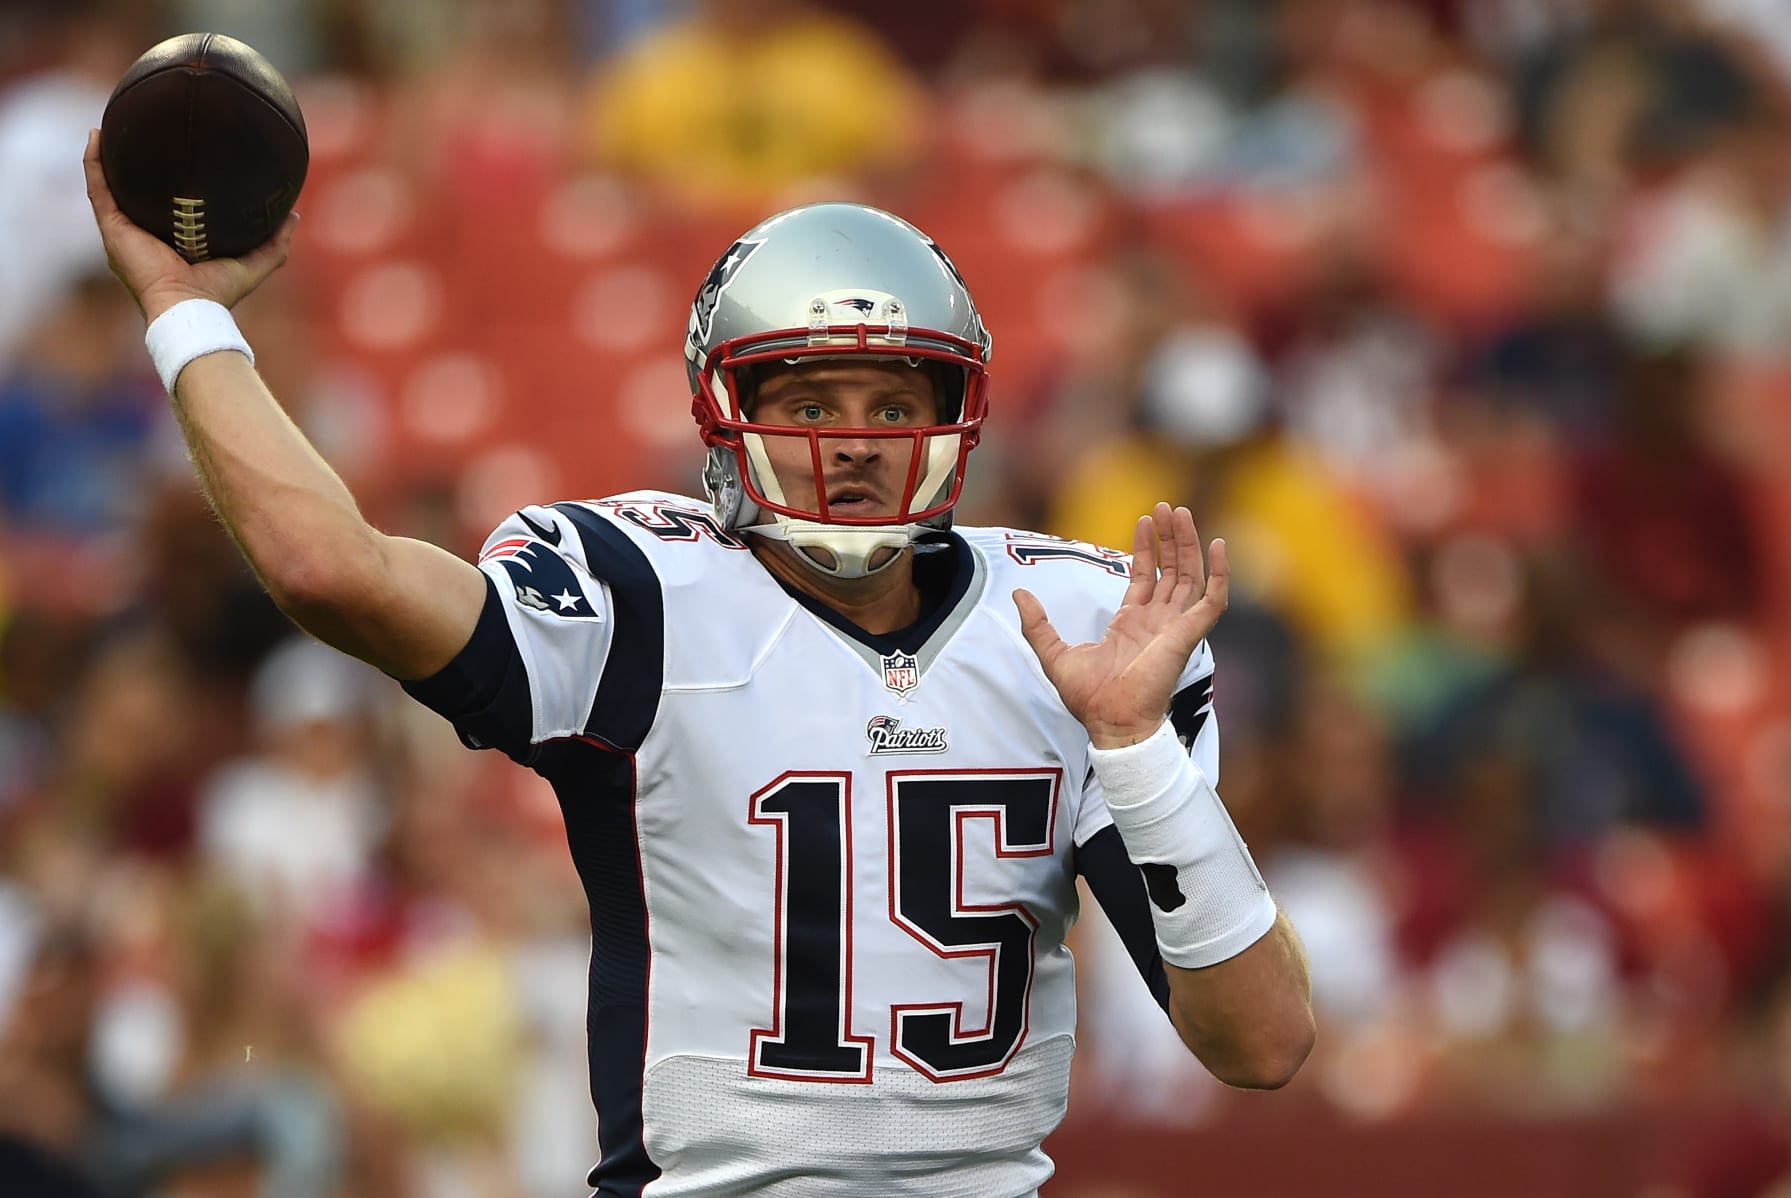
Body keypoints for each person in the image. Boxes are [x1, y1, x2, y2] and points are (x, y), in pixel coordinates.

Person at [84, 130, 1313, 1195]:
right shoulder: (643, 595)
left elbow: (1261, 1043)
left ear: (959, 416)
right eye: (813, 400)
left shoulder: (1070, 624)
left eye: (894, 405)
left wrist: (1138, 751)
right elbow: (332, 569)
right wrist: (187, 315)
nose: (856, 444)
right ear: (725, 410)